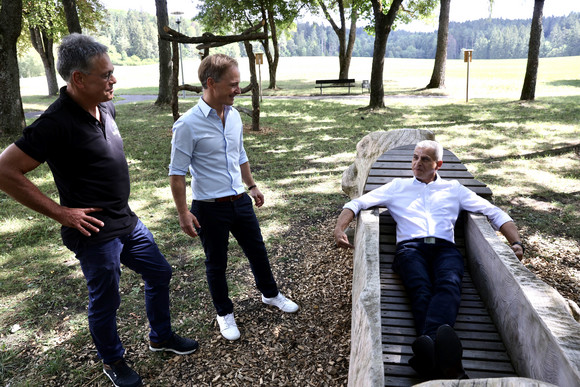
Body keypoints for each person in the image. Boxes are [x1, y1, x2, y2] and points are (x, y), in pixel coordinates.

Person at [0, 34, 198, 387]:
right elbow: (4, 170)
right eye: (106, 75)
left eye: (112, 73)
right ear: (78, 78)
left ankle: (160, 336)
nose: (113, 80)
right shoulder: (54, 123)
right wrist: (64, 214)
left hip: (126, 220)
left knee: (160, 273)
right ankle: (113, 360)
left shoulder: (105, 106)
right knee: (106, 299)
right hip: (93, 231)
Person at [334, 140, 524, 380]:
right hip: (410, 249)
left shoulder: (454, 189)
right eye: (415, 157)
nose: (417, 163)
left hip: (445, 249)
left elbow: (494, 212)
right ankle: (448, 363)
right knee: (421, 289)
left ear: (438, 164)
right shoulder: (397, 187)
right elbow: (357, 203)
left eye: (425, 159)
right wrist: (340, 227)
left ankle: (429, 357)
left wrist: (516, 243)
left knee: (449, 284)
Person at [169, 54, 298, 341]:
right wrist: (182, 213)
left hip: (239, 200)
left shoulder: (235, 115)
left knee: (258, 251)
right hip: (209, 208)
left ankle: (270, 294)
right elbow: (176, 174)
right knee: (217, 263)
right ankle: (224, 314)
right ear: (212, 83)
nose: (238, 89)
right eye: (234, 84)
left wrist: (252, 186)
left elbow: (239, 154)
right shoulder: (187, 125)